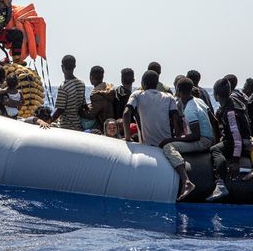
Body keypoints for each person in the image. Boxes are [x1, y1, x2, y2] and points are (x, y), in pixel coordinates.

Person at [123, 71, 192, 199]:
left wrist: (127, 139)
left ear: (143, 84)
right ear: (157, 84)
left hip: (147, 146)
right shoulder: (169, 97)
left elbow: (126, 114)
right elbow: (176, 120)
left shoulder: (137, 94)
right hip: (166, 143)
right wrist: (176, 140)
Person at [160, 78, 215, 201]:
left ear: (178, 90)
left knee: (168, 147)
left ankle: (186, 182)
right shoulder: (199, 100)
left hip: (203, 141)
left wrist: (171, 140)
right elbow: (214, 121)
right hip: (209, 139)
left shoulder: (190, 109)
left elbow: (195, 135)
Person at [206, 78, 252, 201]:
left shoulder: (230, 113)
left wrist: (235, 161)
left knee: (215, 149)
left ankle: (220, 184)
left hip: (240, 143)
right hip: (243, 140)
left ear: (215, 96)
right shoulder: (234, 101)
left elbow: (237, 139)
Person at [50, 55, 86, 130]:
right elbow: (83, 105)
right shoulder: (81, 84)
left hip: (66, 126)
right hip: (78, 125)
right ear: (75, 66)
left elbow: (60, 109)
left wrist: (49, 121)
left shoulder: (64, 87)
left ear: (62, 67)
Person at [79, 65, 115, 132]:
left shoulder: (97, 94)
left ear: (91, 77)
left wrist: (79, 110)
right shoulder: (108, 90)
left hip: (103, 128)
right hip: (111, 125)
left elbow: (91, 115)